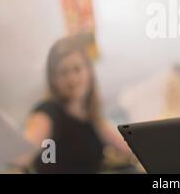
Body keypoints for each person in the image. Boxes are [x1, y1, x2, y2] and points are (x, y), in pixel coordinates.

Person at [22, 35, 135, 173]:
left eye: (77, 69)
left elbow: (131, 148)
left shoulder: (92, 117)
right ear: (52, 78)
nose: (72, 79)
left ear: (89, 71)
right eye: (63, 72)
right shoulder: (47, 113)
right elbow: (24, 152)